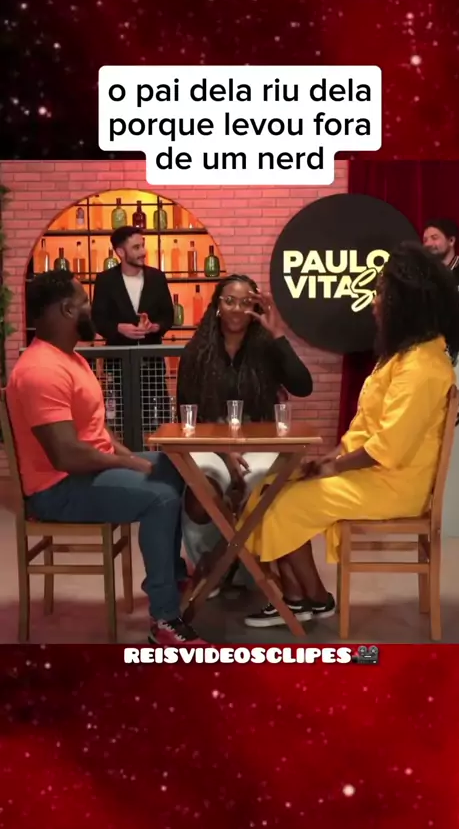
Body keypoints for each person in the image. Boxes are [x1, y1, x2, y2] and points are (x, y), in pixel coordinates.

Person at [238, 242, 459, 628]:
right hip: (372, 472)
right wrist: (331, 458)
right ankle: (304, 596)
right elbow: (365, 427)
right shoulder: (402, 357)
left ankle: (305, 598)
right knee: (268, 490)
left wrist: (336, 467)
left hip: (392, 483)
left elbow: (388, 446)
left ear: (404, 305)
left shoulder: (423, 366)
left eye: (381, 294)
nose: (373, 302)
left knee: (285, 503)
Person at [7, 270, 205, 645]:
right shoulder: (40, 371)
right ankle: (164, 619)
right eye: (84, 301)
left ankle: (171, 574)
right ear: (67, 310)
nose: (92, 310)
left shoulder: (71, 359)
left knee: (177, 467)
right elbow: (66, 455)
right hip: (57, 489)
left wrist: (131, 455)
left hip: (85, 473)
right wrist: (132, 465)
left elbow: (95, 429)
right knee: (160, 497)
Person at [176, 274, 313, 584]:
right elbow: (187, 418)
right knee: (200, 498)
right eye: (229, 301)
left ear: (255, 309)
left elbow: (303, 386)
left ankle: (220, 564)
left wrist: (278, 334)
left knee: (262, 493)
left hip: (260, 445)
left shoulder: (267, 348)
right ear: (217, 306)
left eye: (246, 302)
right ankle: (232, 559)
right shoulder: (196, 352)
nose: (237, 309)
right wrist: (224, 451)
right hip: (211, 445)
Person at [92, 226, 174, 431]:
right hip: (117, 365)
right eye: (136, 247)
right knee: (121, 422)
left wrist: (155, 327)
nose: (143, 251)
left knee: (157, 423)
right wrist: (119, 328)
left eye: (143, 245)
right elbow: (97, 319)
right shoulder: (105, 280)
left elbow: (168, 316)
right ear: (120, 252)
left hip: (152, 363)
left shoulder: (157, 277)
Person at [423, 217, 459, 344]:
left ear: (451, 240)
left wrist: (458, 306)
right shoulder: (422, 274)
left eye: (434, 238)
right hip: (430, 348)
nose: (428, 244)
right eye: (425, 240)